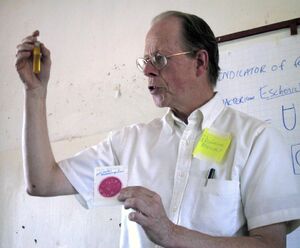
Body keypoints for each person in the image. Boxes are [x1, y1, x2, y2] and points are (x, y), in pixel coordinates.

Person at [15, 10, 300, 248]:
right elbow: (42, 182)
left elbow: (270, 244)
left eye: (160, 60)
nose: (147, 71)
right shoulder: (130, 142)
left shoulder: (256, 139)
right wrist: (35, 92)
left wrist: (171, 234)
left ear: (200, 62)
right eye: (146, 61)